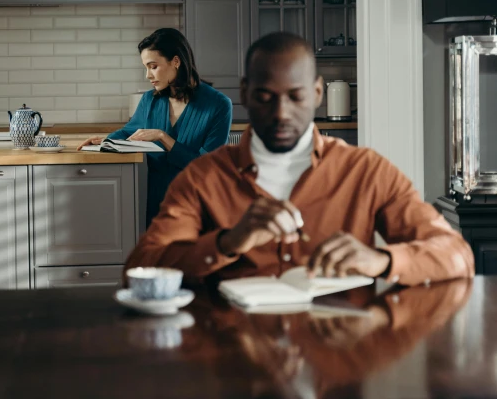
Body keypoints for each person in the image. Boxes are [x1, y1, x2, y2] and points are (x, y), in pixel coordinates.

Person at [124, 32, 475, 286]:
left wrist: (382, 260)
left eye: (296, 96)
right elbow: (140, 268)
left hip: (340, 365)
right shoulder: (204, 177)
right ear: (245, 93)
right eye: (265, 96)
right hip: (232, 365)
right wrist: (226, 242)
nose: (281, 113)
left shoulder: (367, 171)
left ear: (318, 93)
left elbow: (456, 255)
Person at [78, 28, 232, 225]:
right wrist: (106, 141)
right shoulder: (149, 100)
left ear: (176, 61)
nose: (147, 75)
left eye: (153, 66)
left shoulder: (218, 105)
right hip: (154, 203)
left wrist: (163, 137)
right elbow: (130, 131)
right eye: (146, 67)